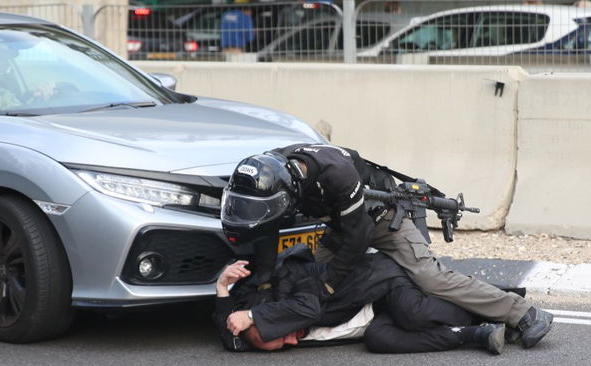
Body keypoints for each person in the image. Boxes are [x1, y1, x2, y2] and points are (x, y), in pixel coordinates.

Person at [220, 145, 554, 349]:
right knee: (316, 281)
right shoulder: (272, 169)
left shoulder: (336, 174)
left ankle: (522, 313)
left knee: (428, 278)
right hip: (340, 223)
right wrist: (263, 282)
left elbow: (358, 236)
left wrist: (328, 284)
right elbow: (268, 230)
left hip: (377, 220)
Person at [214, 246, 505, 355]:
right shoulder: (263, 329)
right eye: (282, 347)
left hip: (379, 281)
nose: (292, 342)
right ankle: (475, 334)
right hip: (371, 312)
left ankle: (496, 306)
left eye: (283, 335)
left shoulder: (288, 283)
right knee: (379, 340)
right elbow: (233, 340)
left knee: (412, 314)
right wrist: (221, 289)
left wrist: (252, 317)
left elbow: (308, 307)